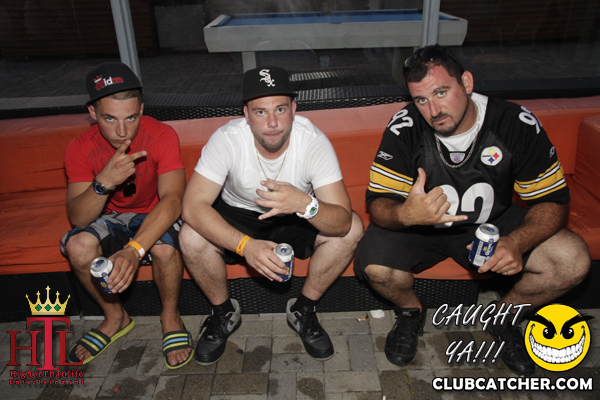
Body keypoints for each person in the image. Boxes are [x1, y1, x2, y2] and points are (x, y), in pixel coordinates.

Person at [354, 45, 590, 376]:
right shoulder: (404, 127)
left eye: (441, 92)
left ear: (466, 82)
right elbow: (378, 203)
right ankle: (411, 313)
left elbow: (552, 201)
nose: (433, 110)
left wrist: (517, 242)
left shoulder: (515, 123)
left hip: (490, 223)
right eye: (421, 99)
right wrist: (406, 215)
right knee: (376, 268)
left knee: (571, 260)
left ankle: (503, 317)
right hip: (420, 226)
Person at [179, 66, 364, 365]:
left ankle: (303, 309)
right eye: (260, 112)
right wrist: (245, 246)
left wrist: (305, 204)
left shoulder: (313, 141)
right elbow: (192, 206)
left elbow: (343, 222)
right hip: (240, 214)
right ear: (246, 114)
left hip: (295, 215)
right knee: (190, 235)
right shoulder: (227, 138)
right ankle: (223, 312)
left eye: (280, 109)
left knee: (353, 228)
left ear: (294, 109)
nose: (273, 123)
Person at [60, 62, 193, 369]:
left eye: (131, 117)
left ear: (141, 110)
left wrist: (134, 250)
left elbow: (173, 201)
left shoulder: (161, 134)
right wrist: (103, 182)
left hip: (154, 212)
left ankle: (170, 316)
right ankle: (115, 317)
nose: (122, 131)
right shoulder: (79, 148)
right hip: (111, 218)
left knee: (164, 247)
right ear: (93, 113)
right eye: (110, 118)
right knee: (77, 246)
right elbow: (78, 218)